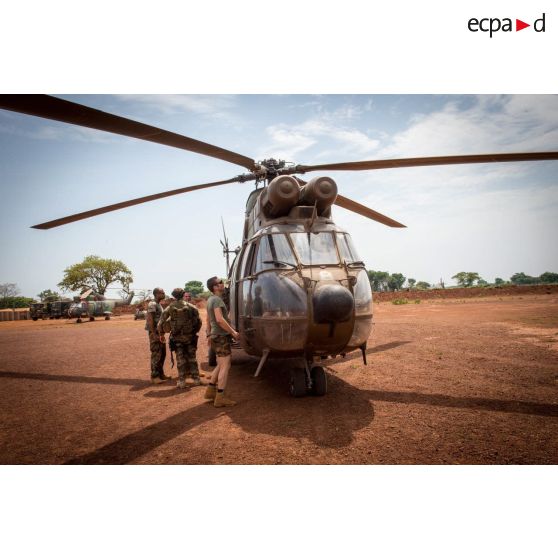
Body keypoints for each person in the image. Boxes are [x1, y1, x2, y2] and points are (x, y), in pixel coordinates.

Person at [204, 276, 240, 407]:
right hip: (221, 336)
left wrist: (209, 334)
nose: (222, 284)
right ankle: (220, 397)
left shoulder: (211, 300)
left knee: (220, 364)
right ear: (215, 287)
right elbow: (219, 320)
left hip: (215, 336)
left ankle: (210, 391)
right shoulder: (217, 300)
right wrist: (233, 332)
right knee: (226, 365)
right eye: (220, 283)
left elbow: (208, 319)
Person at [158, 288, 203, 389]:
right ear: (183, 295)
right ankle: (196, 379)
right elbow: (199, 321)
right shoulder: (191, 307)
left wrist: (161, 334)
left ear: (174, 296)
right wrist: (194, 331)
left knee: (180, 359)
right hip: (190, 337)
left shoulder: (170, 307)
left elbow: (160, 322)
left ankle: (182, 381)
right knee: (192, 358)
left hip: (177, 338)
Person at [145, 287, 169, 384]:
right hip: (154, 332)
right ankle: (154, 376)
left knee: (162, 354)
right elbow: (150, 319)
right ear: (157, 294)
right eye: (162, 293)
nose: (164, 294)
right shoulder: (152, 304)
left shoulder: (159, 304)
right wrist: (153, 333)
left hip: (160, 333)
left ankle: (161, 374)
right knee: (156, 354)